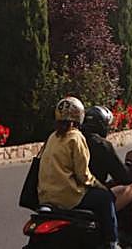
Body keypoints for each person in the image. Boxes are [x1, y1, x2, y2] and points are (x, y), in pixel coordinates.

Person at [37, 96, 119, 249]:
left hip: (45, 196)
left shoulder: (52, 137)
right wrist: (100, 185)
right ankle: (112, 242)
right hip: (67, 198)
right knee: (106, 198)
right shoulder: (76, 138)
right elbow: (84, 175)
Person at [82, 105, 132, 249]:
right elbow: (124, 177)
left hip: (70, 196)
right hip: (90, 197)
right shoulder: (102, 145)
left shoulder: (74, 141)